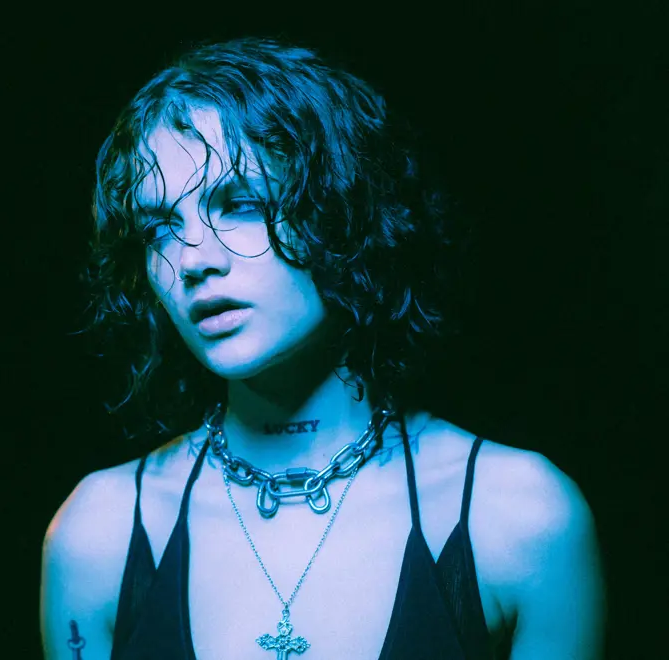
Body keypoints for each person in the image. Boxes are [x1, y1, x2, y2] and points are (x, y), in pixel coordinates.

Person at [40, 37, 605, 659]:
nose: (194, 259)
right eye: (159, 227)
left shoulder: (518, 519)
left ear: (340, 210)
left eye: (241, 204)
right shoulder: (98, 535)